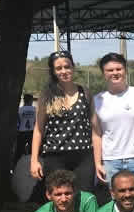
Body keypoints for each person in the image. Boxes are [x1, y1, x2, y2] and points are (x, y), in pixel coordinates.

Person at [30, 51, 96, 193]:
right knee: (60, 197)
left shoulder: (85, 92)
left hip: (83, 156)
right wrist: (34, 160)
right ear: (53, 72)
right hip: (55, 156)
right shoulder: (47, 95)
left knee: (85, 196)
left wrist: (98, 159)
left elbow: (96, 129)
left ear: (73, 67)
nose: (64, 71)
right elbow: (38, 130)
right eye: (59, 68)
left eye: (67, 66)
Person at [92, 53, 134, 194]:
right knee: (117, 206)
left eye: (118, 69)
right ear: (103, 73)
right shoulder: (97, 100)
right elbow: (96, 134)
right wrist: (97, 163)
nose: (115, 73)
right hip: (111, 163)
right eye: (110, 70)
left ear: (125, 70)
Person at [15, 93, 36, 166]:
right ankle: (31, 165)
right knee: (32, 151)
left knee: (19, 151)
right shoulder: (35, 110)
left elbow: (17, 122)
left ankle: (16, 165)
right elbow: (35, 122)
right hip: (32, 132)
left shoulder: (19, 110)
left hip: (21, 132)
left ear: (24, 100)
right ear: (31, 100)